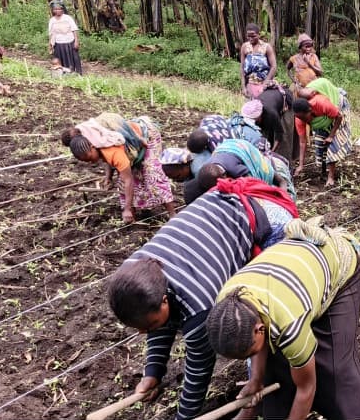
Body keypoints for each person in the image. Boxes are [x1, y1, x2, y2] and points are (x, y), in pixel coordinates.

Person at [106, 178, 298, 420]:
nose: (143, 333)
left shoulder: (199, 305)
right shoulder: (134, 271)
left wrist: (184, 417)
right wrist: (152, 373)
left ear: (164, 300)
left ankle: (267, 395)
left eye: (149, 326)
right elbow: (157, 319)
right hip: (223, 213)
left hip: (266, 220)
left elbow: (198, 371)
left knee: (262, 326)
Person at [206, 218, 360, 420]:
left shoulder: (289, 323)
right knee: (276, 367)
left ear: (260, 329)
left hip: (337, 265)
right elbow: (259, 341)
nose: (251, 357)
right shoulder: (226, 304)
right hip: (293, 279)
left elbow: (306, 388)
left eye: (250, 352)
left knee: (335, 368)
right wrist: (256, 380)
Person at [64, 113, 175, 222]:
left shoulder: (113, 151)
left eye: (89, 158)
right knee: (122, 182)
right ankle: (132, 219)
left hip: (147, 136)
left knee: (152, 175)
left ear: (93, 147)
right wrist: (108, 177)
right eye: (86, 161)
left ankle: (172, 214)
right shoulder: (97, 143)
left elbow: (128, 180)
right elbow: (107, 159)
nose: (90, 162)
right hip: (127, 149)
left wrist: (127, 209)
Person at [184, 138, 293, 204]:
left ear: (224, 175)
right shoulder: (206, 170)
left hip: (243, 150)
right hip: (227, 150)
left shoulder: (236, 170)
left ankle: (282, 185)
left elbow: (254, 185)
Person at [293, 78, 354, 186]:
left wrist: (331, 135)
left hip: (337, 111)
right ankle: (323, 171)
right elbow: (302, 142)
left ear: (310, 110)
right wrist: (301, 165)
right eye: (300, 118)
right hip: (324, 118)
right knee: (320, 143)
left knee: (332, 143)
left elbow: (339, 117)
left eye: (305, 117)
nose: (304, 121)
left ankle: (331, 177)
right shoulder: (299, 119)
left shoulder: (320, 103)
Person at [256, 84, 294, 161]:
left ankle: (285, 162)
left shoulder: (271, 113)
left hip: (285, 103)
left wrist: (271, 152)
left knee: (284, 139)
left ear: (259, 115)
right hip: (272, 103)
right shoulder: (253, 107)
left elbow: (279, 134)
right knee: (266, 133)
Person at [240, 23, 276, 99]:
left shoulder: (266, 47)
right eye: (248, 36)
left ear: (258, 34)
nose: (250, 38)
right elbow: (242, 67)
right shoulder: (245, 47)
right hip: (250, 83)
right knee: (251, 104)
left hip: (264, 82)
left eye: (253, 36)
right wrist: (243, 87)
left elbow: (273, 66)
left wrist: (265, 83)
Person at [48, 1, 82, 74]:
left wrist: (76, 41)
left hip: (70, 41)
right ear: (53, 10)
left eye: (59, 9)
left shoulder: (67, 18)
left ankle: (75, 73)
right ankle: (64, 73)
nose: (58, 11)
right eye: (56, 9)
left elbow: (74, 29)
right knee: (60, 59)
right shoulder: (52, 20)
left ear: (62, 9)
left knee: (73, 58)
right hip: (58, 43)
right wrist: (50, 45)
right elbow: (51, 33)